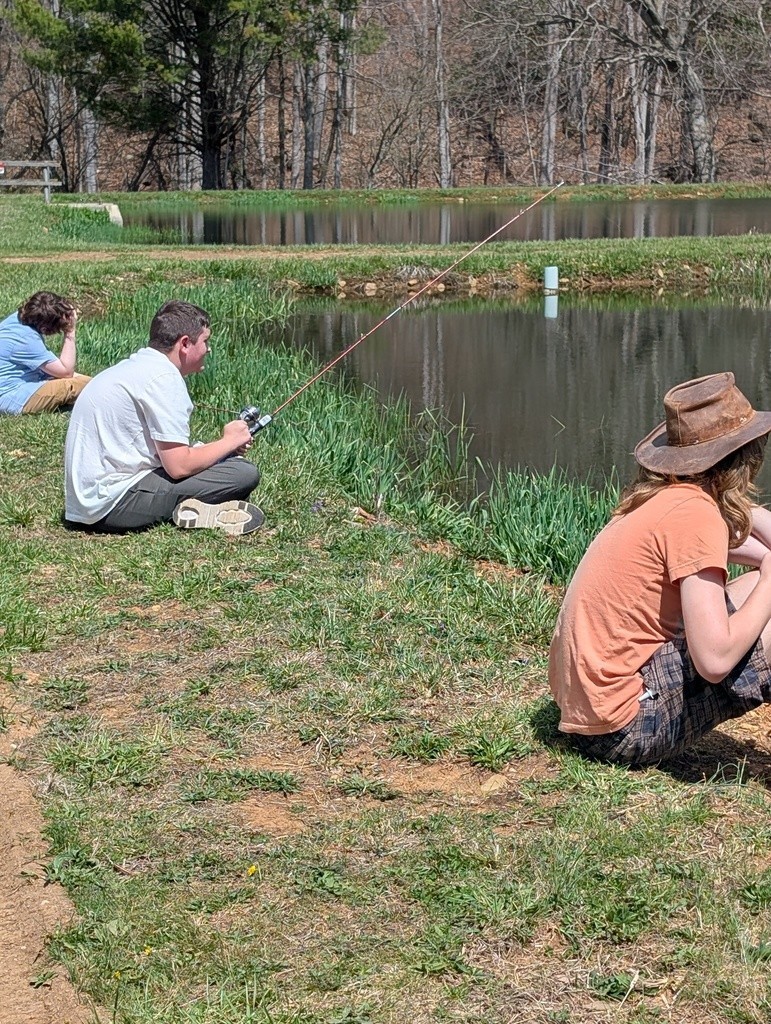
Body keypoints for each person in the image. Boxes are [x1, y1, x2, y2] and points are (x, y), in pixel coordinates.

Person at [549, 372, 771, 767]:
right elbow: (715, 661)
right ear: (744, 458)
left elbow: (757, 552)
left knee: (754, 584)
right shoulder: (694, 515)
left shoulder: (668, 501)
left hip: (590, 717)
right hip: (625, 726)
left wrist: (743, 515)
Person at [64, 299, 263, 536]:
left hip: (86, 503)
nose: (208, 349)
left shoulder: (137, 367)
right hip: (111, 505)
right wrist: (229, 441)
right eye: (205, 341)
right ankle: (198, 509)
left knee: (223, 462)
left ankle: (196, 509)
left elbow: (160, 453)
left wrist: (219, 449)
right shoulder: (164, 379)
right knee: (242, 473)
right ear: (185, 344)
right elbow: (178, 467)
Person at [0, 291, 91, 414]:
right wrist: (70, 332)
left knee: (90, 381)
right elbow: (66, 372)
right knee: (75, 386)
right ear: (45, 327)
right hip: (14, 396)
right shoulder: (26, 339)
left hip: (28, 380)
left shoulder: (17, 319)